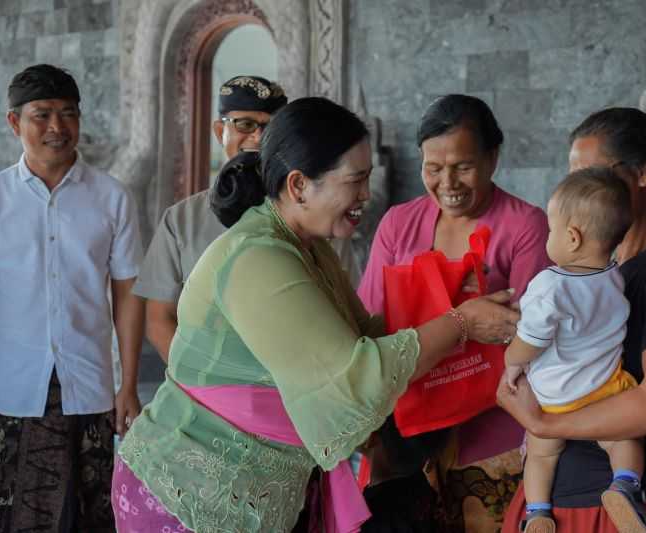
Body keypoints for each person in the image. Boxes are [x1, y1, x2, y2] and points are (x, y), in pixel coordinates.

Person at [111, 97, 520, 532]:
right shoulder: (259, 256)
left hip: (260, 487)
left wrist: (446, 301)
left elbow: (364, 332)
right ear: (300, 185)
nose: (366, 195)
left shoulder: (307, 245)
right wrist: (461, 323)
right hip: (189, 486)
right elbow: (354, 373)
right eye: (356, 180)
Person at [498, 107, 646, 533]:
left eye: (592, 173)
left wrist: (545, 423)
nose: (580, 190)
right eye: (571, 177)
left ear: (643, 173)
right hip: (559, 494)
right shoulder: (605, 273)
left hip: (626, 501)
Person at [357, 94, 550, 531]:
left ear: (493, 158)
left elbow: (534, 335)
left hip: (490, 436)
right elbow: (371, 320)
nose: (448, 182)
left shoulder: (524, 226)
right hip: (403, 434)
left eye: (463, 166)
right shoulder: (397, 224)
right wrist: (467, 321)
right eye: (433, 168)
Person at [0, 64, 144, 532]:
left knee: (89, 513)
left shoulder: (112, 198)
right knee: (2, 512)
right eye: (42, 114)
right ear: (15, 123)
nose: (57, 127)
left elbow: (128, 292)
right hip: (7, 389)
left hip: (88, 387)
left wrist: (128, 382)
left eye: (68, 114)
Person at [505, 168, 646, 533]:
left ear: (571, 237)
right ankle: (625, 485)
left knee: (540, 455)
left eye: (551, 229)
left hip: (553, 399)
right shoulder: (614, 279)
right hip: (604, 394)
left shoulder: (550, 285)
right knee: (624, 439)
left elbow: (531, 340)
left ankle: (537, 513)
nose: (548, 237)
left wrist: (512, 361)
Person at [132, 75, 287, 362]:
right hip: (203, 392)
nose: (258, 137)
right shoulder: (181, 219)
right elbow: (158, 319)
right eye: (245, 124)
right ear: (220, 131)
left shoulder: (305, 214)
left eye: (271, 128)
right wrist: (199, 385)